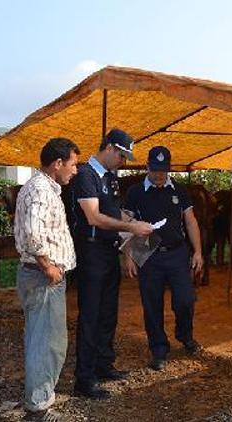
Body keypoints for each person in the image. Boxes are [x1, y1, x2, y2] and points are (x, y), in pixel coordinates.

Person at [70, 128, 153, 399]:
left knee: (108, 313)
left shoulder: (110, 178)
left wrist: (130, 224)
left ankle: (104, 365)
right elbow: (93, 217)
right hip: (91, 253)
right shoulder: (86, 176)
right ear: (109, 148)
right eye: (121, 155)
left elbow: (114, 212)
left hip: (108, 251)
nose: (123, 161)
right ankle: (84, 379)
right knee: (91, 315)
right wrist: (129, 225)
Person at [14, 138, 80, 421]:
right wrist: (48, 266)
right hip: (43, 277)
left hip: (41, 276)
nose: (75, 171)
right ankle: (39, 408)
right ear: (58, 164)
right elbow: (32, 233)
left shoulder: (43, 188)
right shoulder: (41, 189)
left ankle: (39, 400)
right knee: (46, 343)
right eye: (73, 164)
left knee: (44, 339)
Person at [122, 146, 203, 370]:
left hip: (177, 253)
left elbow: (191, 221)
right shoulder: (135, 192)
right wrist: (128, 255)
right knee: (152, 304)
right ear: (147, 166)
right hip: (147, 253)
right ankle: (158, 349)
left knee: (186, 300)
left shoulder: (179, 190)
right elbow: (125, 224)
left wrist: (197, 251)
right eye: (155, 170)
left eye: (163, 170)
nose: (159, 175)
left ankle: (184, 335)